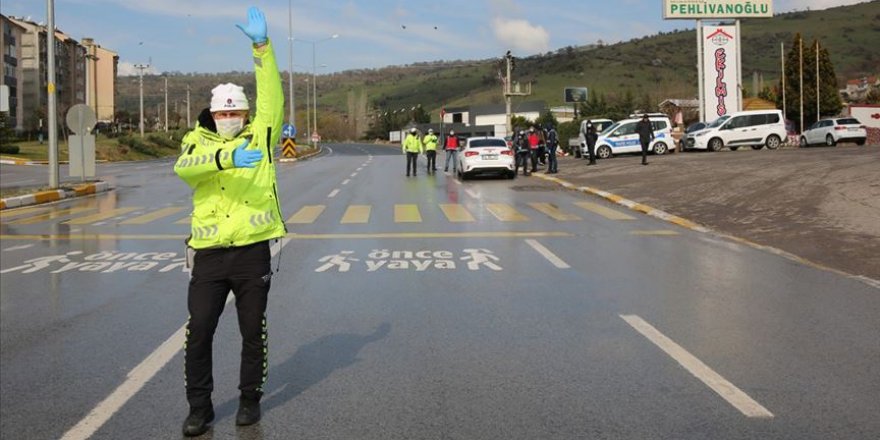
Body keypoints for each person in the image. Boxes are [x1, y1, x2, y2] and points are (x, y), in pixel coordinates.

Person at [172, 6, 284, 437]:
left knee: (252, 330)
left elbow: (272, 96)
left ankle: (249, 400)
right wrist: (227, 157)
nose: (229, 119)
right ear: (212, 115)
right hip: (209, 254)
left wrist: (262, 48)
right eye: (222, 114)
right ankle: (198, 408)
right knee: (199, 330)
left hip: (252, 250)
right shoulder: (195, 141)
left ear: (246, 114)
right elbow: (185, 169)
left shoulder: (262, 134)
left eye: (236, 112)